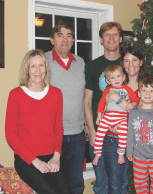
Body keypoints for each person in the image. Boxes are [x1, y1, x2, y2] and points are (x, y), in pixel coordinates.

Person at [5, 49, 71, 194]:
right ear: (27, 70)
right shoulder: (15, 95)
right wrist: (34, 161)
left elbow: (58, 128)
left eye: (41, 65)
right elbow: (10, 134)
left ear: (46, 68)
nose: (38, 71)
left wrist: (56, 156)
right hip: (26, 159)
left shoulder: (56, 93)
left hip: (51, 155)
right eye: (33, 66)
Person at [84, 22, 129, 194]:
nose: (111, 38)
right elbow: (87, 101)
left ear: (121, 39)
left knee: (120, 184)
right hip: (100, 133)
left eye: (115, 34)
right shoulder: (92, 66)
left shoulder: (128, 64)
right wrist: (92, 131)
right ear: (101, 40)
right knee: (101, 184)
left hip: (121, 135)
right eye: (107, 35)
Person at [46, 21, 86, 194]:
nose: (64, 39)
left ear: (73, 40)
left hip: (78, 135)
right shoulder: (43, 60)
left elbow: (85, 96)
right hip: (52, 135)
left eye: (69, 35)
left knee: (76, 183)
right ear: (51, 40)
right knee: (54, 184)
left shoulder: (81, 62)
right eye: (60, 35)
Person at [93, 64, 139, 165]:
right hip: (108, 116)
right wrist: (99, 115)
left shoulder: (127, 89)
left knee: (123, 134)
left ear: (123, 77)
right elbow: (101, 103)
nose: (116, 79)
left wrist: (132, 104)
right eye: (112, 78)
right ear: (108, 81)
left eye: (118, 76)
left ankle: (121, 154)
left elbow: (136, 100)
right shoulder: (107, 90)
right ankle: (97, 153)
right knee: (100, 132)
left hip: (121, 118)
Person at [126, 77, 153, 194]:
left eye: (151, 91)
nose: (148, 93)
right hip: (138, 157)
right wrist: (129, 151)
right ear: (139, 93)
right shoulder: (134, 112)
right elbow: (130, 133)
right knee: (140, 185)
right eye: (144, 90)